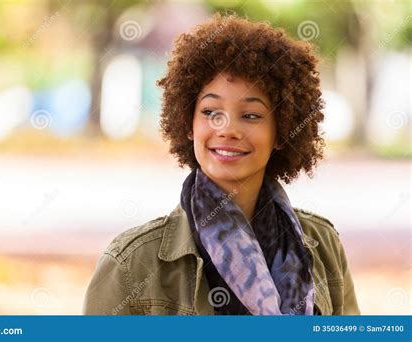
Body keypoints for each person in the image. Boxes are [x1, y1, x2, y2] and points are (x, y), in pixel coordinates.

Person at [83, 13, 360, 315]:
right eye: (210, 111)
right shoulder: (131, 263)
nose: (228, 129)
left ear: (280, 131)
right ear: (188, 124)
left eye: (251, 115)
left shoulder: (323, 245)